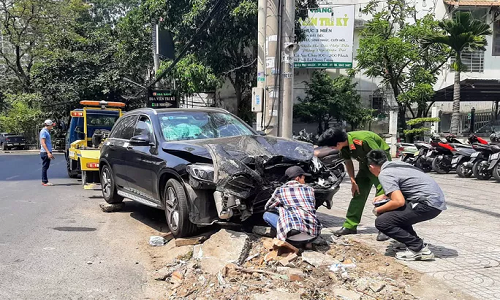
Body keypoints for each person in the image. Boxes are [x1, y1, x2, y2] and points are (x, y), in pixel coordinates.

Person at [367, 149, 447, 261]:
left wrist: (378, 210)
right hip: (435, 201)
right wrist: (385, 196)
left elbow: (398, 202)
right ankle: (408, 241)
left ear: (371, 167)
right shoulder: (397, 164)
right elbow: (407, 184)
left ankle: (418, 249)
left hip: (427, 204)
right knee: (395, 214)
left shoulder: (384, 174)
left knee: (383, 221)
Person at [317, 128, 391, 241]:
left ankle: (385, 228)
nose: (331, 149)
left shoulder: (363, 140)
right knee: (358, 193)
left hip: (380, 165)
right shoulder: (344, 146)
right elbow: (348, 162)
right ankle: (350, 225)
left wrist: (382, 176)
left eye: (332, 147)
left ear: (338, 143)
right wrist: (353, 180)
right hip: (365, 165)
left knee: (382, 196)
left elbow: (380, 156)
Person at [263, 166, 321, 246]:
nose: (304, 181)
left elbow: (268, 207)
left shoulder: (280, 190)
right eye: (303, 179)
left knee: (267, 214)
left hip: (293, 238)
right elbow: (312, 206)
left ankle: (289, 232)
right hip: (314, 234)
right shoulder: (310, 189)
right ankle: (307, 242)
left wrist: (280, 207)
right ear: (297, 178)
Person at [40, 119, 55, 186]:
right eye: (51, 125)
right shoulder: (44, 132)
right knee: (45, 167)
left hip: (46, 152)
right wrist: (48, 153)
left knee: (46, 166)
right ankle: (44, 181)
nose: (52, 127)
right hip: (45, 152)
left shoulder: (46, 131)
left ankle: (44, 180)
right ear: (48, 125)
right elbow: (43, 143)